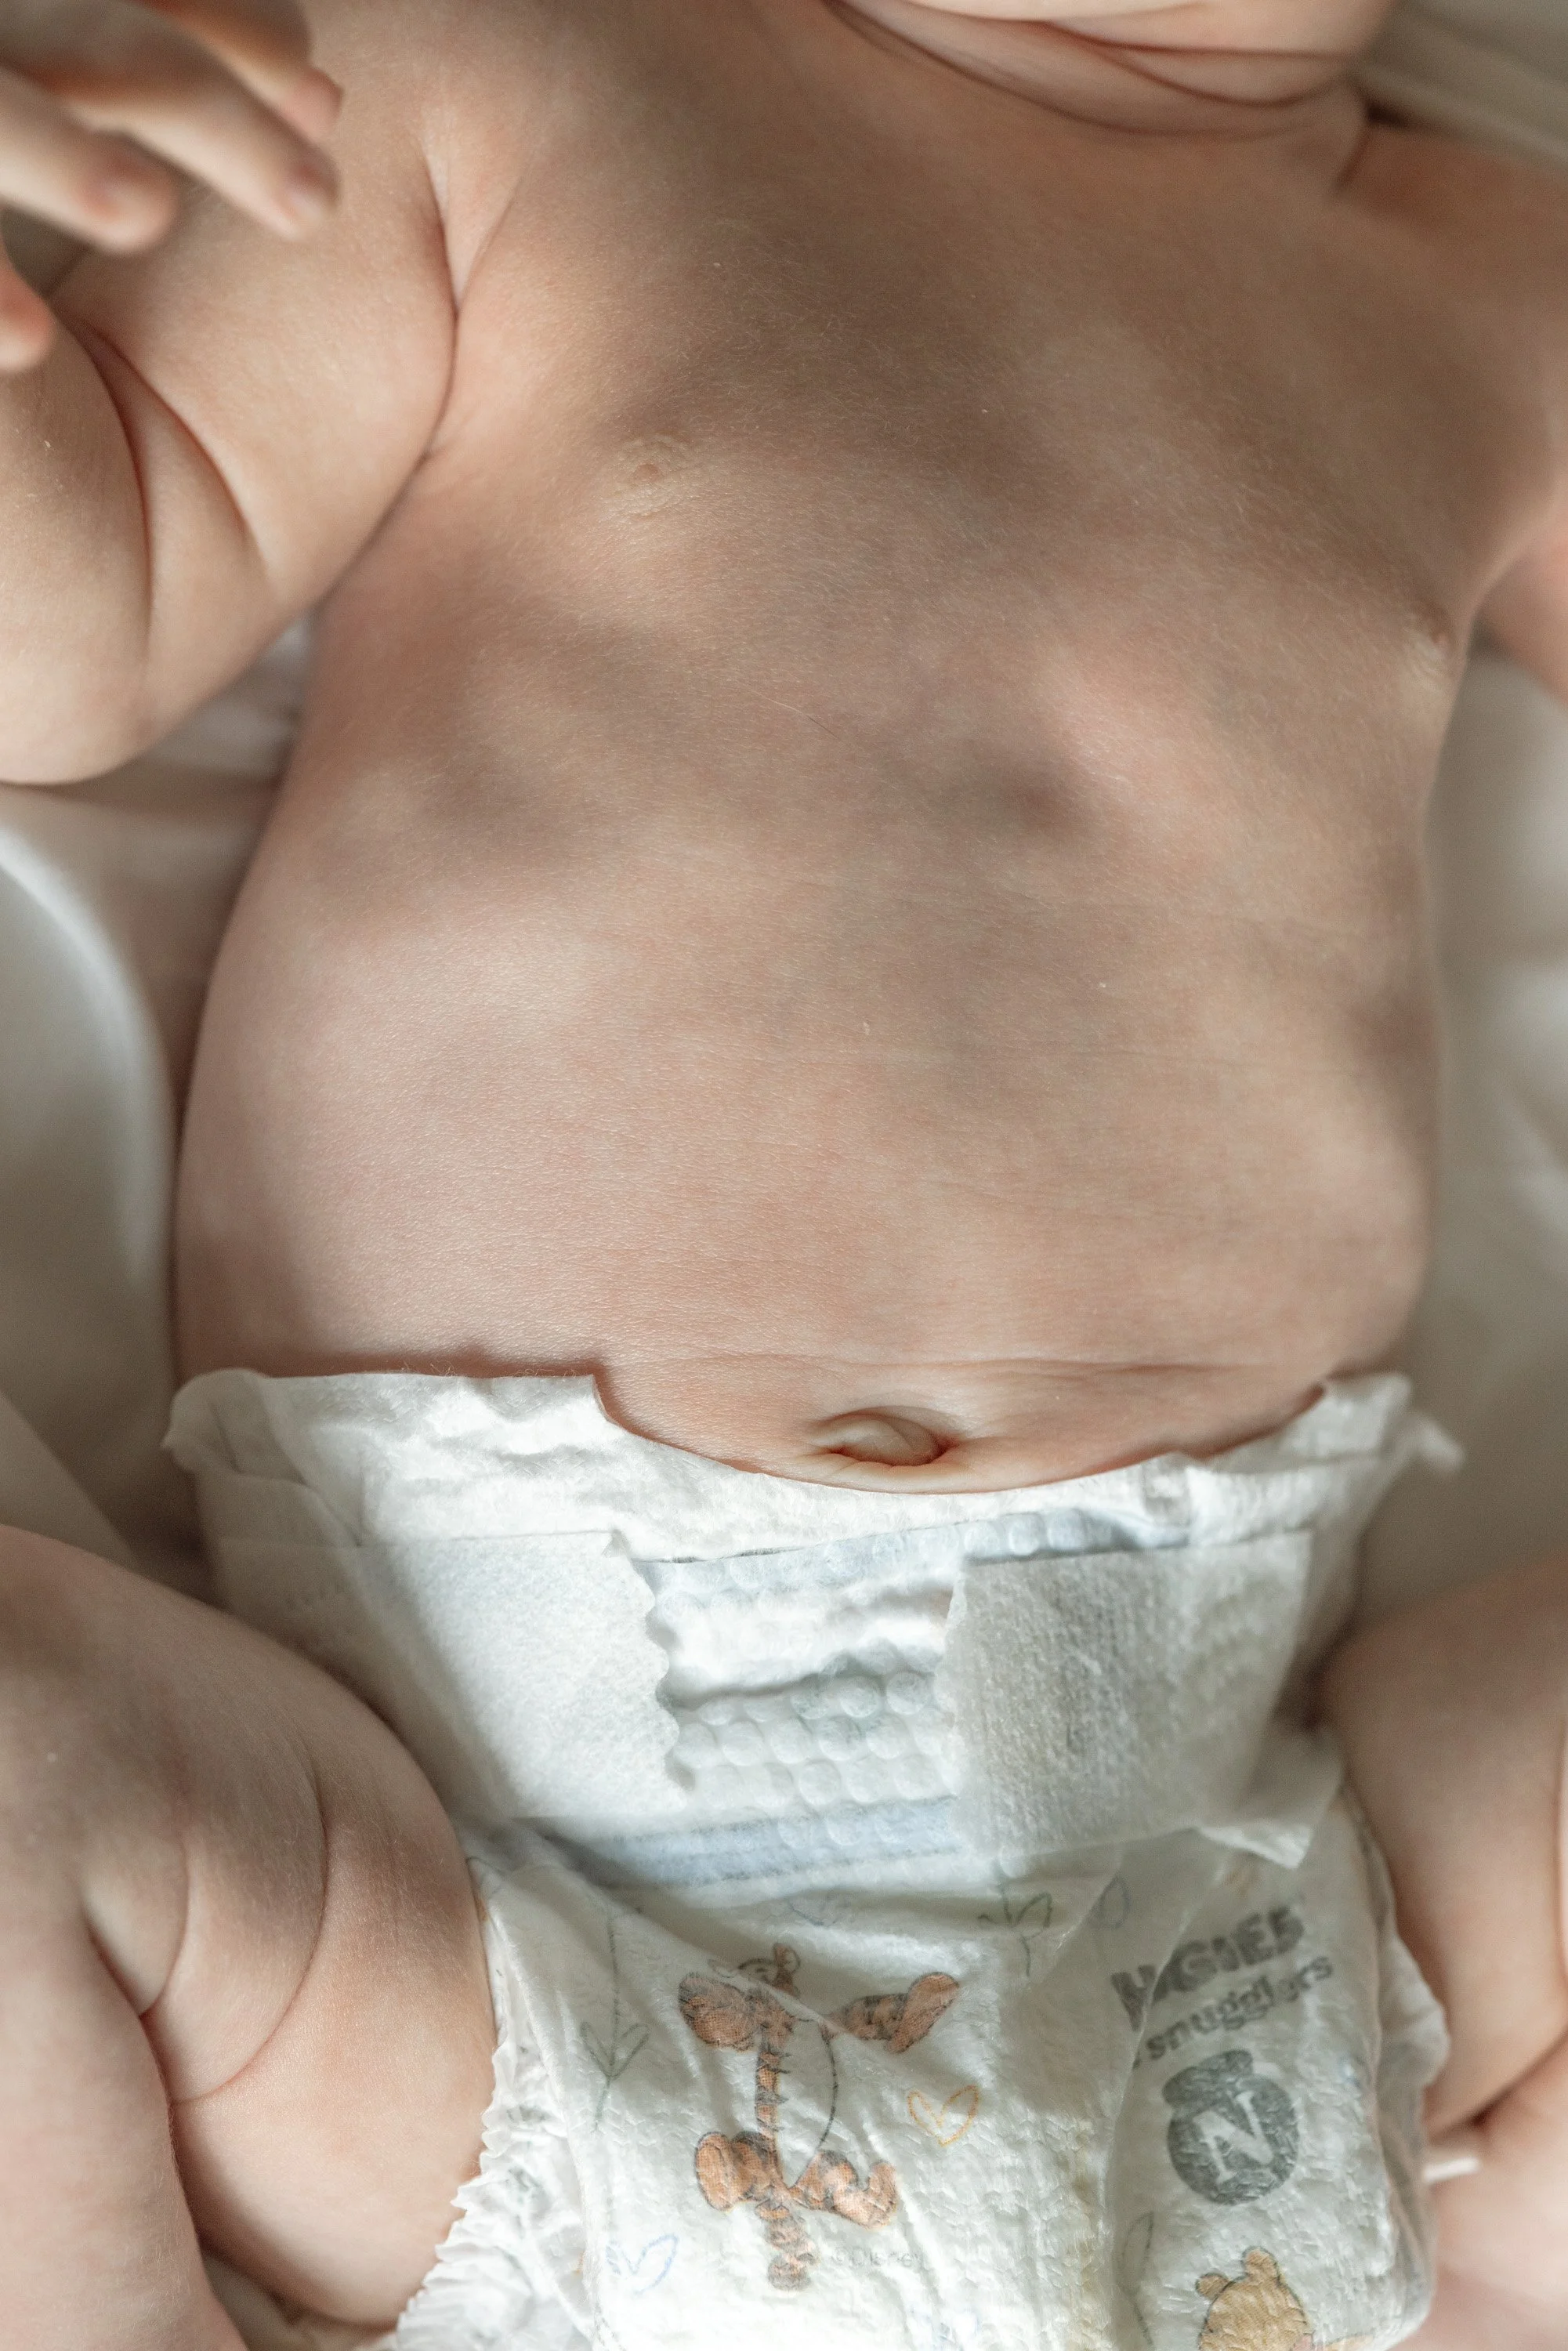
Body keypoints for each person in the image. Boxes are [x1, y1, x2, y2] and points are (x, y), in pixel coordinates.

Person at [2, 0, 1567, 2343]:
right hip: (472, 1952)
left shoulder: (1498, 286)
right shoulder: (505, 84)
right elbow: (63, 630)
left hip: (1255, 1924)